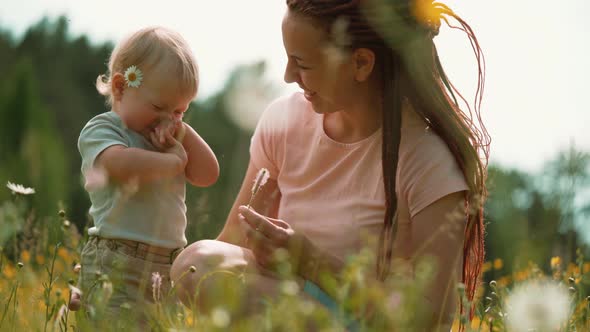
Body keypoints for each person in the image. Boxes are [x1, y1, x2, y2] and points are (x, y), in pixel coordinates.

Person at [171, 0, 488, 330]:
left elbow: (426, 318)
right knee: (196, 264)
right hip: (285, 301)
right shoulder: (283, 122)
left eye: (303, 64)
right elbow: (231, 244)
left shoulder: (428, 160)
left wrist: (310, 261)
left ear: (361, 63)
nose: (288, 76)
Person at [72, 26, 220, 325]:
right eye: (159, 107)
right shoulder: (104, 130)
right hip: (116, 260)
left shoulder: (173, 141)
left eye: (180, 111)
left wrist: (184, 133)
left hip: (168, 266)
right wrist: (172, 162)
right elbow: (118, 166)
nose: (169, 118)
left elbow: (208, 174)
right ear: (121, 87)